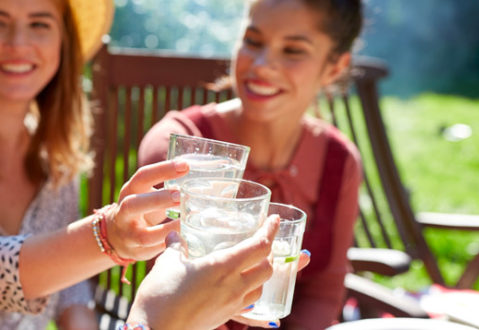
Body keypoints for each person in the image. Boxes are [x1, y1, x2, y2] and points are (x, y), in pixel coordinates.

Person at [0, 0, 296, 329]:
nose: (19, 43)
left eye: (40, 23)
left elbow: (69, 289)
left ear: (62, 41)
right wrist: (109, 237)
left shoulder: (55, 153)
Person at [138, 0, 364, 329]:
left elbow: (323, 292)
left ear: (334, 67)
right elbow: (171, 293)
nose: (261, 64)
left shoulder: (339, 161)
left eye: (293, 50)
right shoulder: (181, 148)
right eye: (253, 42)